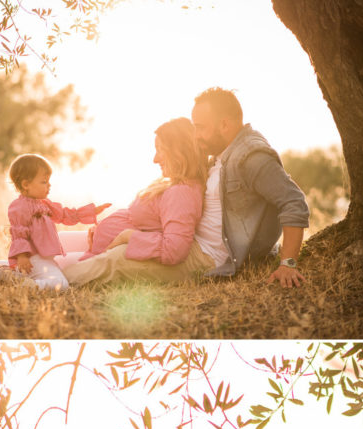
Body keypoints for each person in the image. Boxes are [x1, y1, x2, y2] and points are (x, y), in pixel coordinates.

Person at [73, 87, 311, 289]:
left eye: (200, 128)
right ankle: (48, 274)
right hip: (190, 244)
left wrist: (287, 263)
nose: (195, 136)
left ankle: (50, 285)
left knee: (116, 260)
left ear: (224, 125)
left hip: (208, 258)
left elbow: (293, 202)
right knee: (116, 248)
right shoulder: (220, 155)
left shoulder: (251, 158)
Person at [60, 117, 208, 287]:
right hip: (97, 245)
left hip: (101, 254)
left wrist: (127, 236)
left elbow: (174, 249)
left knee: (45, 265)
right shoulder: (174, 184)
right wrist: (102, 227)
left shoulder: (182, 194)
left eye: (161, 150)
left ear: (180, 152)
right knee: (47, 243)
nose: (155, 159)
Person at [0, 154, 110, 291]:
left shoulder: (45, 204)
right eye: (44, 182)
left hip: (44, 259)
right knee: (60, 284)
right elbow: (19, 234)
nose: (49, 186)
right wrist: (22, 256)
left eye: (48, 181)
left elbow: (65, 214)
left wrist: (91, 211)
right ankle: (29, 286)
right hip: (34, 259)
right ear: (26, 184)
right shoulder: (19, 208)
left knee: (57, 280)